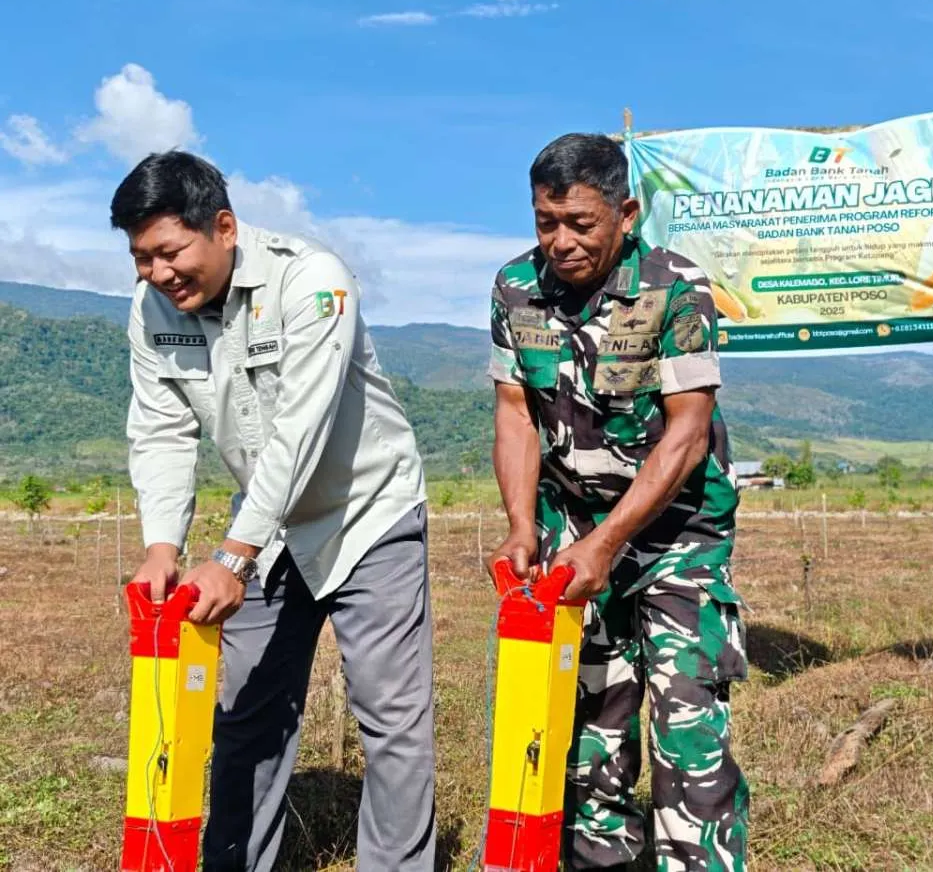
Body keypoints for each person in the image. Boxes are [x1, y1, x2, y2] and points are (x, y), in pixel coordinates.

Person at [113, 150, 434, 870]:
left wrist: (232, 555)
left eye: (168, 252)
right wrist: (163, 544)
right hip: (270, 526)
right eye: (140, 258)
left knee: (391, 722)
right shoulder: (151, 309)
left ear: (223, 226)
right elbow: (161, 429)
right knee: (247, 719)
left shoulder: (312, 279)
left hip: (366, 515)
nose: (156, 274)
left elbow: (303, 427)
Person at [487, 133, 748, 871]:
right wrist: (520, 527)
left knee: (685, 734)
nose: (561, 242)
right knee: (588, 733)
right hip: (570, 534)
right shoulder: (514, 289)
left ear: (625, 213)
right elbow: (515, 412)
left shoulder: (675, 286)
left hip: (675, 537)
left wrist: (609, 545)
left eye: (580, 223)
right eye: (546, 222)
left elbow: (688, 433)